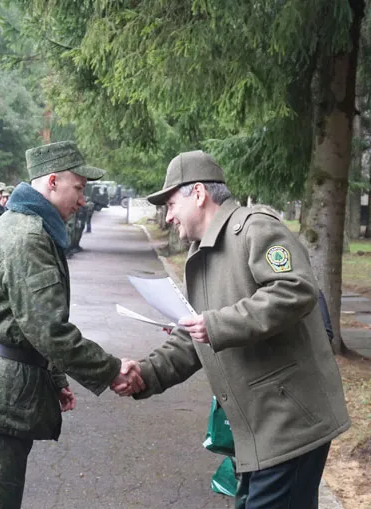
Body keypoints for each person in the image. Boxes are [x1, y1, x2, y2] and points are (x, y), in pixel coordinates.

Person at [133, 150, 350, 509]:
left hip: (290, 423)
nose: (168, 216)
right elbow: (198, 335)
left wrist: (215, 324)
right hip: (258, 428)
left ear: (198, 194)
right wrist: (144, 374)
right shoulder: (200, 255)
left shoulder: (254, 228)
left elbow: (295, 290)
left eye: (171, 204)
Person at [0, 141, 144, 509]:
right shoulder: (28, 237)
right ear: (52, 181)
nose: (83, 200)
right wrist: (112, 370)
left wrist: (53, 379)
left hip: (7, 380)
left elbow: (29, 323)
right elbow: (48, 330)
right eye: (80, 188)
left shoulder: (26, 227)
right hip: (2, 388)